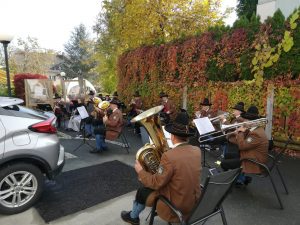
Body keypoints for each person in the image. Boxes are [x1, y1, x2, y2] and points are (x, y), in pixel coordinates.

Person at [121, 112, 202, 225]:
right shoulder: (196, 151)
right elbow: (180, 169)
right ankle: (133, 216)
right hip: (194, 201)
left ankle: (133, 217)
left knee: (143, 190)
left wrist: (140, 171)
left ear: (172, 136)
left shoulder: (169, 156)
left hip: (176, 206)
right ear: (187, 137)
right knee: (144, 189)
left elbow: (156, 183)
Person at [220, 105, 268, 186]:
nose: (244, 122)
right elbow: (240, 142)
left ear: (252, 121)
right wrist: (231, 136)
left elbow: (242, 146)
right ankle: (241, 178)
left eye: (246, 120)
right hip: (250, 155)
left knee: (223, 163)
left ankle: (238, 180)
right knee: (228, 155)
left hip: (253, 161)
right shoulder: (253, 129)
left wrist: (240, 132)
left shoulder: (256, 134)